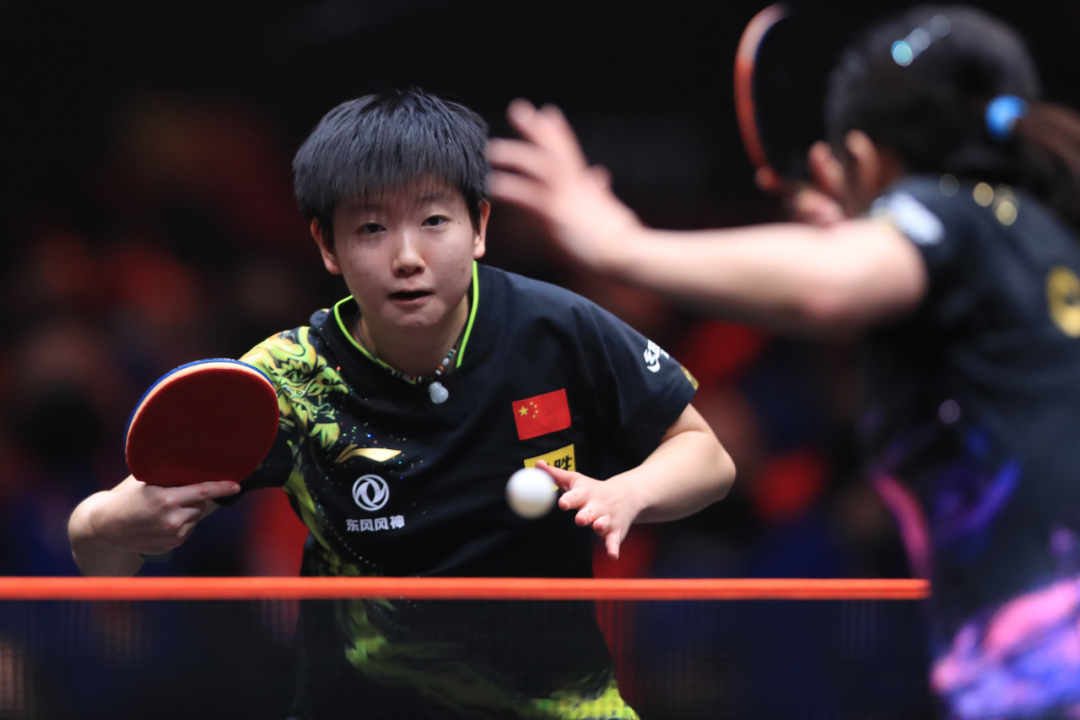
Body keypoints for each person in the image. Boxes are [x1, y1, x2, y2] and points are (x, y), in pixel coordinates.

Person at [487, 6, 1080, 719]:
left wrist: (618, 242)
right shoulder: (1042, 242)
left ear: (860, 158)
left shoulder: (953, 215)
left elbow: (829, 285)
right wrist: (858, 230)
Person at [67, 89, 734, 719]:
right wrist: (107, 525)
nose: (407, 256)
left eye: (434, 220)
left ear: (479, 227)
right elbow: (101, 556)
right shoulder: (292, 379)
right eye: (371, 228)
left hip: (559, 704)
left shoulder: (558, 331)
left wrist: (630, 492)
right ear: (327, 245)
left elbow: (706, 455)